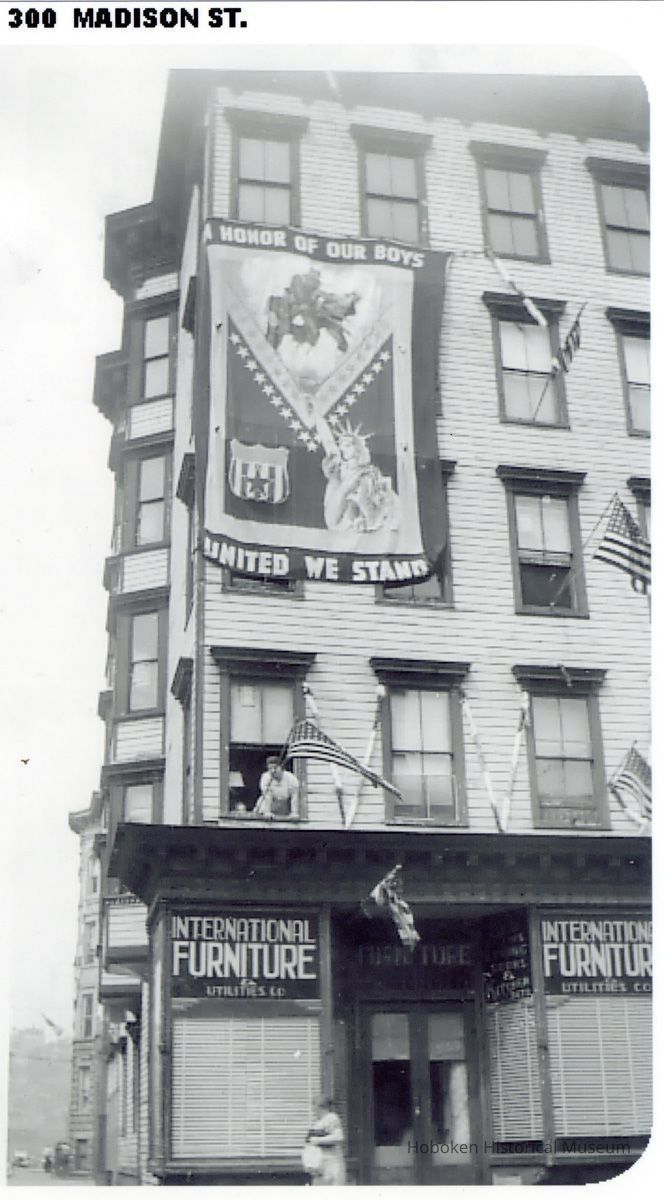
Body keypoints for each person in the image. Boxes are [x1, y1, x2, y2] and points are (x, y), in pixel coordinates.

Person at [303, 1097, 346, 1186]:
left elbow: (339, 1137)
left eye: (314, 1106)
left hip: (332, 1163)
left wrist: (318, 1140)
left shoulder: (331, 1118)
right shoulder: (320, 1121)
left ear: (320, 1107)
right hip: (320, 1165)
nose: (313, 1110)